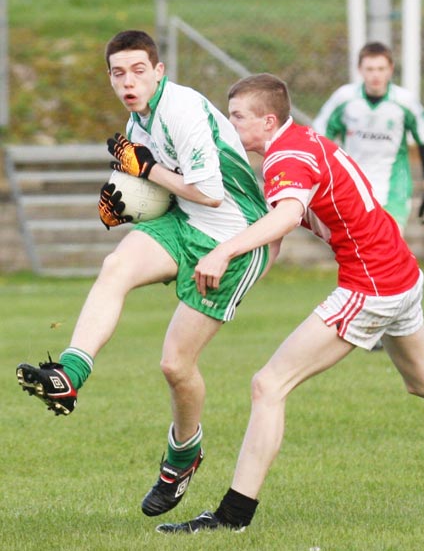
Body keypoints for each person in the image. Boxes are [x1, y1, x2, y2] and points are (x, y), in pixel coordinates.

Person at [155, 73, 424, 534]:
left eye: (237, 117)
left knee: (268, 385)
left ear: (267, 121)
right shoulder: (299, 140)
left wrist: (223, 250)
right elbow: (277, 236)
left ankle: (231, 518)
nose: (230, 127)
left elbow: (287, 216)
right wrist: (242, 272)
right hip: (400, 273)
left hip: (371, 285)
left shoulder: (286, 156)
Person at [15, 31, 272, 518]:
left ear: (159, 71)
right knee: (115, 266)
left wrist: (147, 170)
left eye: (138, 70)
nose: (128, 81)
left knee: (175, 367)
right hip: (183, 225)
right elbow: (156, 184)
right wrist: (125, 204)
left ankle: (182, 458)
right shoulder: (138, 119)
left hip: (233, 240)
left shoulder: (182, 110)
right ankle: (69, 374)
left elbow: (210, 194)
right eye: (118, 72)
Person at [313, 41, 424, 236]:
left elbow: (423, 139)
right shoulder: (344, 99)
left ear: (390, 69)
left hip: (393, 187)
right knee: (357, 249)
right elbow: (320, 141)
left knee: (390, 245)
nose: (375, 75)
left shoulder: (404, 101)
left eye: (381, 69)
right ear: (359, 69)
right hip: (352, 186)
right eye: (370, 69)